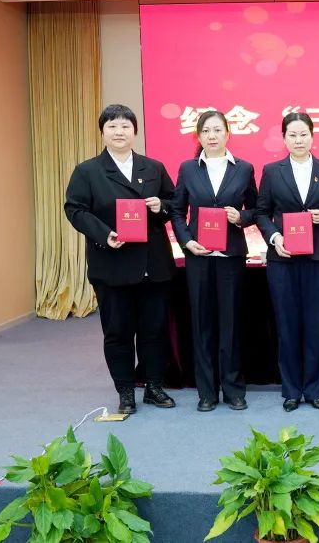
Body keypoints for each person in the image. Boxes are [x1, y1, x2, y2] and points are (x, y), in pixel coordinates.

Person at [64, 104, 177, 414]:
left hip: (153, 265)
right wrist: (104, 234)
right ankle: (125, 391)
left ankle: (153, 386)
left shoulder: (153, 167)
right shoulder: (87, 171)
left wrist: (161, 207)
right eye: (112, 126)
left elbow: (174, 203)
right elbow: (75, 209)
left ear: (135, 132)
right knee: (118, 332)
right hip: (112, 264)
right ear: (102, 132)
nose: (119, 132)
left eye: (125, 126)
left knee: (154, 330)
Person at [170, 110, 257, 412]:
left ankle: (233, 389)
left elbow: (257, 209)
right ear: (199, 135)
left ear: (228, 133)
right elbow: (177, 211)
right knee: (202, 324)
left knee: (231, 325)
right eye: (206, 131)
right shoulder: (188, 168)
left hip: (231, 257)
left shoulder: (243, 169)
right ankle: (206, 392)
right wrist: (186, 241)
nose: (212, 136)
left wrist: (241, 217)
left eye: (218, 130)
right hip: (199, 257)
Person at [255, 112, 319, 412]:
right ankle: (291, 390)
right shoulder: (272, 171)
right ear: (284, 138)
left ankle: (315, 390)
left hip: (317, 258)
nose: (298, 140)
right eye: (292, 135)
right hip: (283, 259)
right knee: (287, 325)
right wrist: (274, 237)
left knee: (316, 325)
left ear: (312, 137)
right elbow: (261, 212)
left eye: (303, 134)